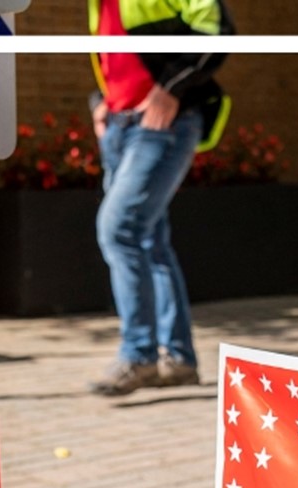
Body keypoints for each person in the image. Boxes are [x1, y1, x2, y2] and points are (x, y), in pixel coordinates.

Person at [85, 0, 235, 397]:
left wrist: (171, 90)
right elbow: (114, 54)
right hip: (120, 125)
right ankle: (181, 359)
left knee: (119, 231)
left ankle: (139, 355)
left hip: (163, 123)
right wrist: (100, 102)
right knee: (149, 241)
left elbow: (217, 32)